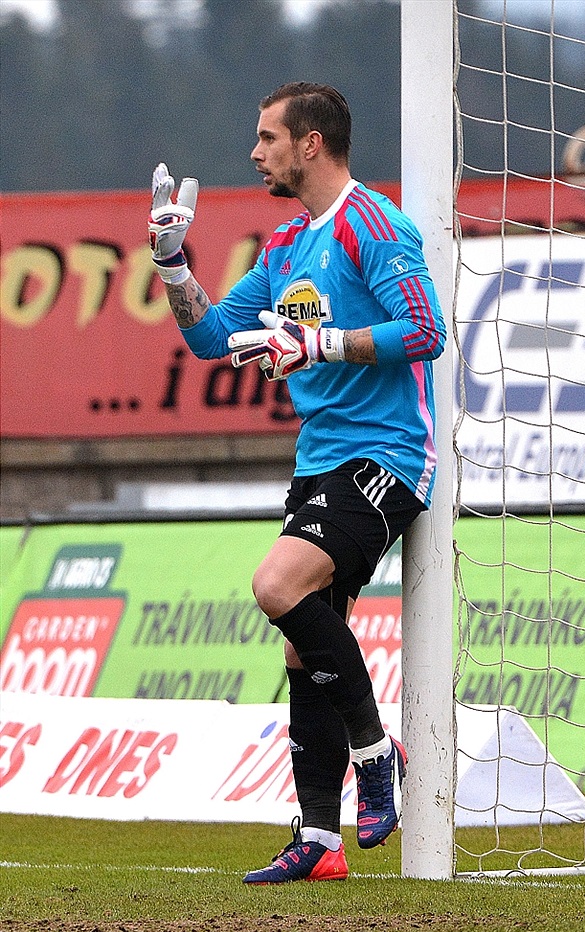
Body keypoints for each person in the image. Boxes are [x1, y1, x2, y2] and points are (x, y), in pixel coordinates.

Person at [148, 82, 445, 884]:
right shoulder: (282, 247)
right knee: (299, 642)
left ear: (311, 143)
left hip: (384, 455)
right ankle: (319, 840)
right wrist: (175, 265)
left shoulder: (373, 224)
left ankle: (377, 754)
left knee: (275, 584)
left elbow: (425, 332)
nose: (255, 152)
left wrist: (320, 345)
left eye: (268, 137)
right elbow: (211, 337)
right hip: (319, 462)